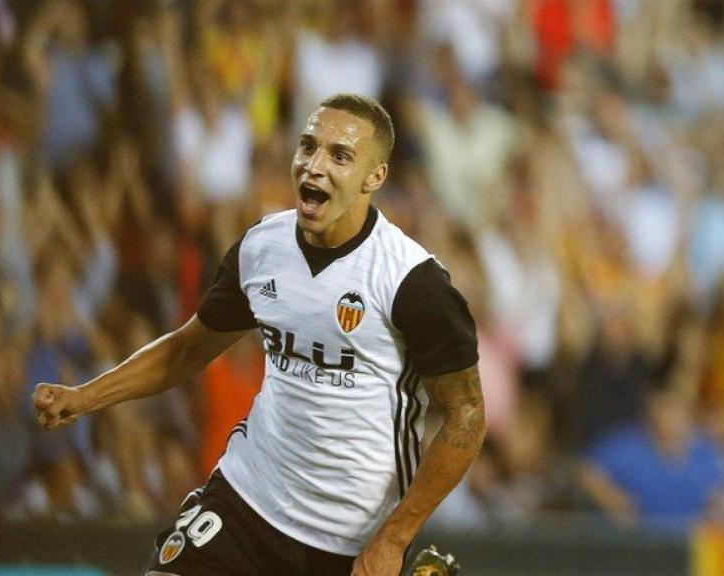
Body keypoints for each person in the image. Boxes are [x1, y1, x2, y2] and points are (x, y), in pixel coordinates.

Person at [33, 94, 486, 576]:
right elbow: (185, 350)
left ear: (374, 177)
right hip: (246, 500)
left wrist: (394, 538)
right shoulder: (262, 247)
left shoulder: (410, 281)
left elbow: (466, 415)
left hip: (349, 538)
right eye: (308, 146)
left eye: (339, 156)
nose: (314, 165)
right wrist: (84, 397)